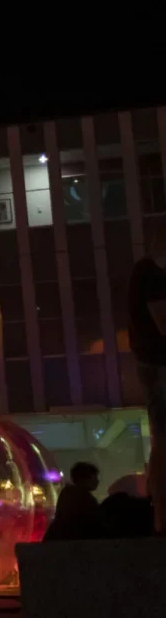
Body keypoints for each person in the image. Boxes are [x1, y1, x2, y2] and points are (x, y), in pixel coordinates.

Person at [129, 222, 166, 534]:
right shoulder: (153, 274)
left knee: (162, 440)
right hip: (159, 364)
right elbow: (162, 320)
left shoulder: (146, 272)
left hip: (153, 363)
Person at [45, 462, 106, 540]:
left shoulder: (67, 493)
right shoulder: (85, 499)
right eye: (95, 477)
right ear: (85, 478)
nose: (97, 481)